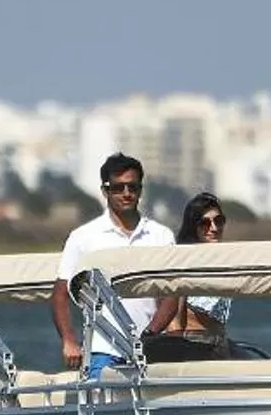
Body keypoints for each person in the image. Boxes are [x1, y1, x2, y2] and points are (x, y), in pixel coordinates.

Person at [53, 153, 176, 376]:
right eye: (118, 188)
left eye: (133, 187)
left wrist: (151, 334)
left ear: (140, 189)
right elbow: (61, 294)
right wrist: (69, 341)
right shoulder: (83, 237)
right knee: (102, 405)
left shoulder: (161, 236)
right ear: (105, 191)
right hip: (102, 349)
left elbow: (171, 294)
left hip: (149, 349)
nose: (126, 194)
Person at [146, 192, 233, 362]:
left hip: (220, 346)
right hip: (194, 346)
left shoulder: (225, 263)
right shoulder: (182, 263)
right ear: (193, 226)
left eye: (218, 221)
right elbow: (173, 321)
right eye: (205, 223)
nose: (214, 228)